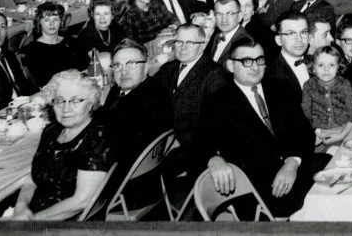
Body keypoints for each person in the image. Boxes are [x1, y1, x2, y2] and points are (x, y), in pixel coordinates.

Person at [199, 36, 316, 218]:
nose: (255, 67)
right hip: (260, 188)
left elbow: (305, 132)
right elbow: (200, 142)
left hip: (295, 170)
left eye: (259, 60)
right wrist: (214, 159)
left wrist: (293, 162)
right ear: (230, 66)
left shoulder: (281, 88)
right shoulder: (216, 102)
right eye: (246, 61)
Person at [6, 71, 115, 220]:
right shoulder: (51, 131)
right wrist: (20, 208)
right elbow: (32, 178)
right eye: (59, 100)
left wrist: (32, 221)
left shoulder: (98, 139)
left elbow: (81, 202)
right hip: (34, 212)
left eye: (75, 101)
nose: (66, 108)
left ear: (91, 104)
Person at [154, 23, 230, 180]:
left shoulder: (214, 75)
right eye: (179, 42)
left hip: (192, 148)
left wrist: (175, 142)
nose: (183, 47)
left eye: (190, 43)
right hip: (164, 142)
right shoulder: (168, 69)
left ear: (201, 46)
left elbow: (213, 128)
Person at [97, 39, 173, 169]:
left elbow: (120, 144)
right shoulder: (120, 88)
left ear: (147, 66)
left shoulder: (152, 98)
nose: (123, 71)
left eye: (131, 64)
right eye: (117, 65)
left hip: (125, 172)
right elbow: (105, 114)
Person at [20, 3, 88, 88]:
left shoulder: (70, 41)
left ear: (61, 22)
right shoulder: (34, 49)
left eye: (55, 20)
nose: (51, 24)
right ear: (39, 22)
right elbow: (43, 82)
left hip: (79, 86)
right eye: (47, 20)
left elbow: (85, 67)